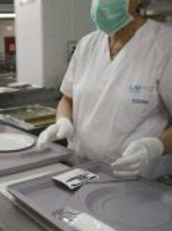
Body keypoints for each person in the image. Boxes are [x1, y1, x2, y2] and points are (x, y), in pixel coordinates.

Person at [37, 0, 172, 178]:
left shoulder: (164, 45)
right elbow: (68, 98)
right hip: (80, 167)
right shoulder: (87, 44)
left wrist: (154, 147)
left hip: (135, 178)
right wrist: (63, 121)